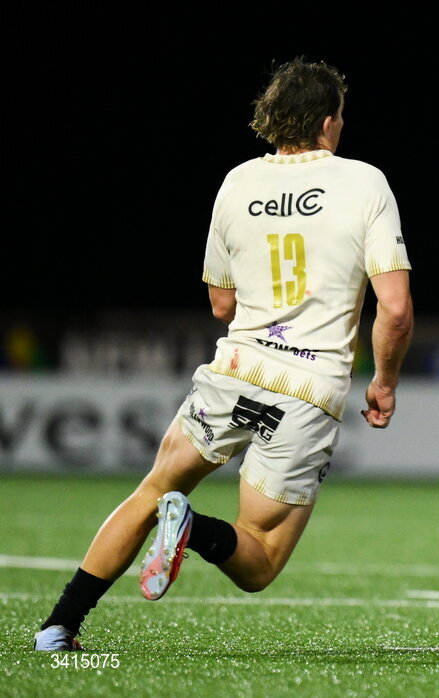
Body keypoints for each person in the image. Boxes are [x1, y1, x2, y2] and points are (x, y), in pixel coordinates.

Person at [34, 58, 413, 651]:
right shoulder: (365, 182)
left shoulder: (237, 182)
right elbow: (394, 308)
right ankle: (192, 528)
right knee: (258, 560)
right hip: (307, 387)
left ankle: (59, 625)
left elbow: (220, 301)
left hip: (234, 369)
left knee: (150, 488)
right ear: (329, 122)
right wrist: (385, 381)